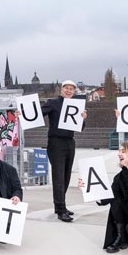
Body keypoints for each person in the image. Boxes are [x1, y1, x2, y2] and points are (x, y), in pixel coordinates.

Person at [40, 80, 87, 222]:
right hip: (56, 142)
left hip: (70, 142)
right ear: (61, 90)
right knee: (58, 176)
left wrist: (83, 119)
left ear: (74, 91)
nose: (69, 90)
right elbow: (37, 113)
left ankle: (60, 206)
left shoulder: (76, 106)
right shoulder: (53, 103)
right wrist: (22, 113)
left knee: (66, 176)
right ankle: (61, 209)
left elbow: (80, 127)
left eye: (71, 89)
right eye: (66, 88)